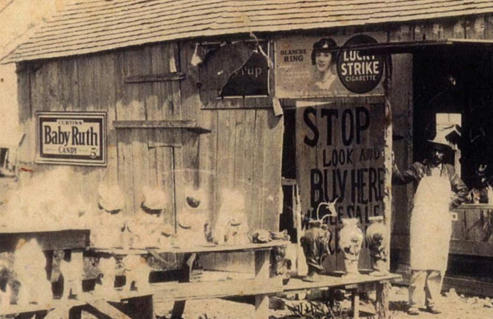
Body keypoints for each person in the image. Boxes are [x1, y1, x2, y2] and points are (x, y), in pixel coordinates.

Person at [393, 133, 468, 315]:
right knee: (419, 261)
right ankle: (414, 303)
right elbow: (399, 179)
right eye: (434, 150)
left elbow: (463, 190)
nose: (437, 154)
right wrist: (392, 162)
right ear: (429, 151)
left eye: (440, 151)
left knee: (437, 262)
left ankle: (432, 301)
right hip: (422, 219)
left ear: (444, 154)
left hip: (440, 220)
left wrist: (450, 203)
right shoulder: (419, 168)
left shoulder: (449, 171)